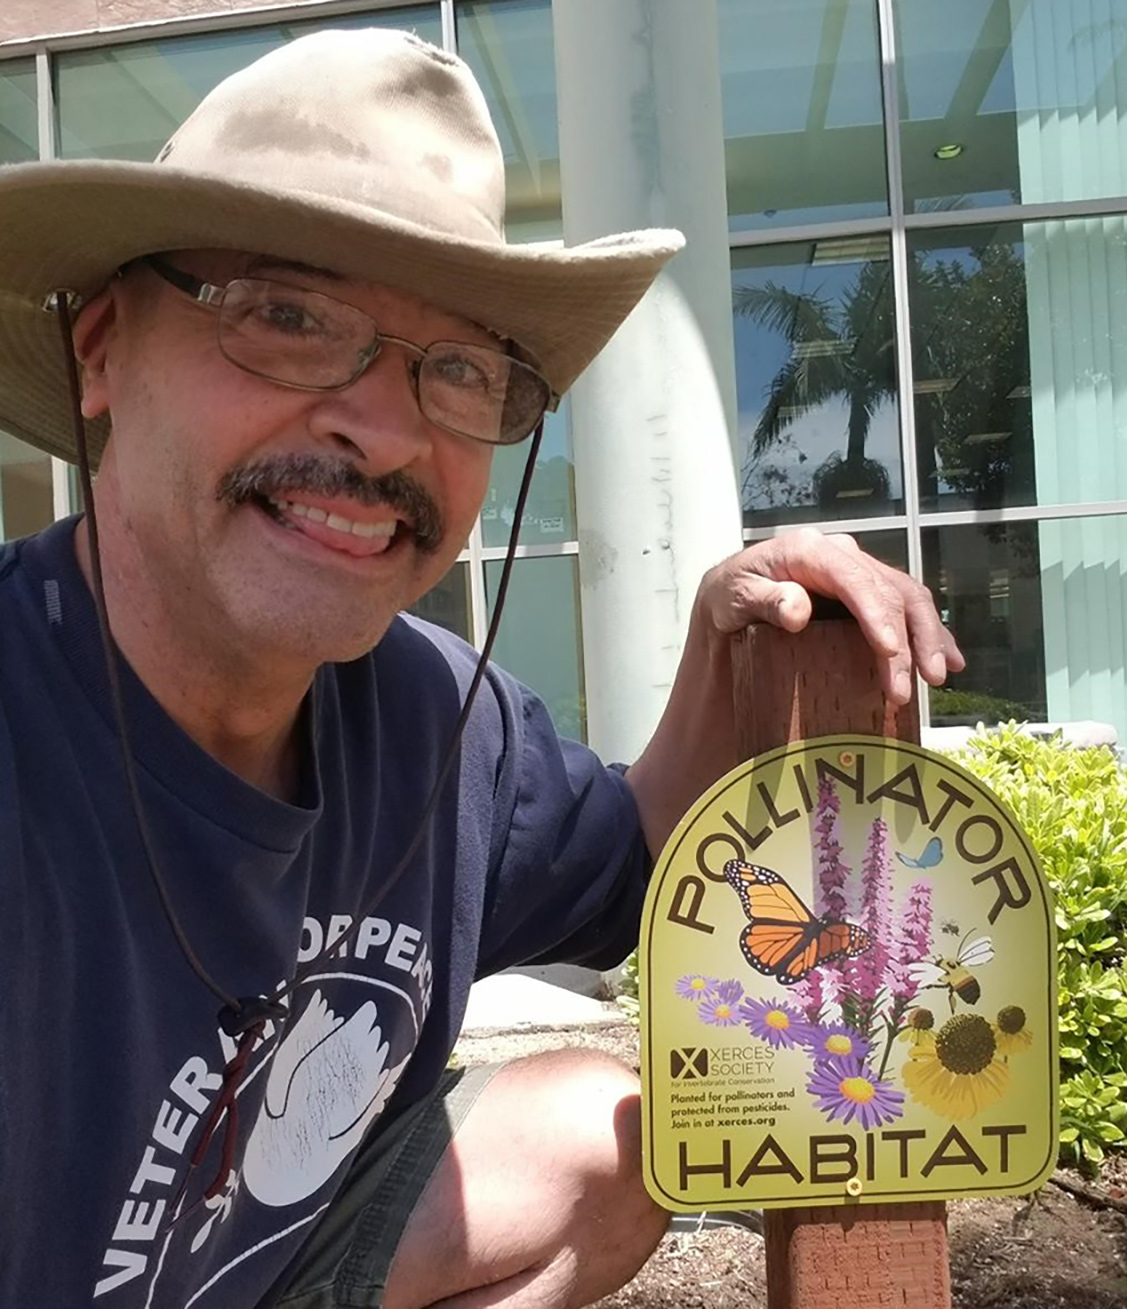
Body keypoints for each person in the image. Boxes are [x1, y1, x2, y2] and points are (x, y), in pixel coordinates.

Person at [0, 27, 963, 1309]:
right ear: (102, 346)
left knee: (601, 1138)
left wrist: (726, 637)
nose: (387, 428)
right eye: (288, 315)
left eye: (457, 366)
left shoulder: (436, 720)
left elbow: (641, 859)